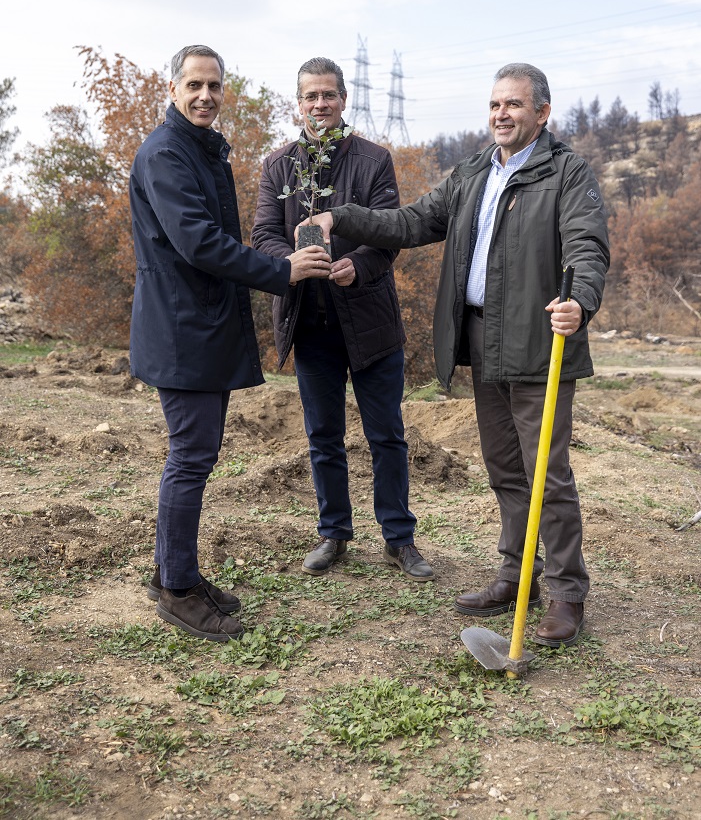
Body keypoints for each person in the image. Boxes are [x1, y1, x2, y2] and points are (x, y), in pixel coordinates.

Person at [302, 62, 609, 646]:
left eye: (514, 105)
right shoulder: (472, 172)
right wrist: (342, 217)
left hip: (540, 343)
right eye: (495, 104)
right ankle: (518, 576)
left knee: (549, 476)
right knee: (506, 473)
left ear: (541, 113)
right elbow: (412, 221)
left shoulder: (566, 172)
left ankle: (567, 594)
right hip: (482, 343)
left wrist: (581, 302)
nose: (501, 114)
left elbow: (588, 246)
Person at [130, 44, 332, 642]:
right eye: (193, 85)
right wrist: (282, 271)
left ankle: (178, 572)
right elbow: (197, 243)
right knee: (190, 456)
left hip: (199, 323)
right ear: (172, 90)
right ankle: (176, 590)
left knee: (196, 454)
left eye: (214, 86)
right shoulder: (166, 154)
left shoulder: (200, 149)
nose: (205, 96)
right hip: (181, 328)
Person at [251, 57, 433, 582]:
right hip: (309, 324)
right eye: (310, 97)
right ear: (298, 103)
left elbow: (392, 232)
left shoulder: (375, 160)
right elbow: (263, 233)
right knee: (323, 436)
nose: (319, 105)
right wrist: (293, 262)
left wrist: (361, 265)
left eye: (328, 95)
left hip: (371, 323)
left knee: (387, 436)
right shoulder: (278, 166)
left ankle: (400, 540)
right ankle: (334, 534)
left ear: (344, 100)